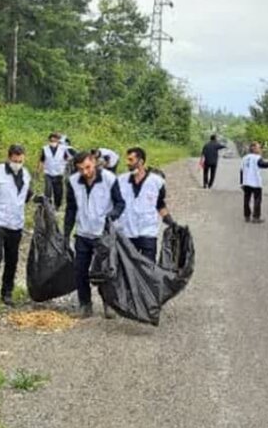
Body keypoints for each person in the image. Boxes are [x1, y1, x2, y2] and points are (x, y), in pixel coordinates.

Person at [64, 150, 125, 318]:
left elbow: (120, 203)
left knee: (106, 271)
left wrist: (111, 217)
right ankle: (85, 304)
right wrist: (66, 233)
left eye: (88, 167)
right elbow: (70, 209)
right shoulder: (73, 182)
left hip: (102, 234)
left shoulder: (109, 178)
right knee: (80, 270)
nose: (85, 172)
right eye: (81, 169)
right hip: (83, 233)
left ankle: (109, 304)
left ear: (93, 162)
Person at [0, 144, 33, 309]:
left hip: (15, 223)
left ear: (24, 158)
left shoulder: (26, 174)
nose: (17, 162)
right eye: (14, 160)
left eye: (20, 160)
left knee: (12, 259)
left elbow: (26, 194)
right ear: (9, 157)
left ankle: (7, 292)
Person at [117, 147, 171, 261]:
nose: (127, 163)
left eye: (131, 160)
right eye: (127, 160)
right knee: (128, 269)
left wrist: (169, 220)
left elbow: (160, 203)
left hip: (148, 232)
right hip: (127, 231)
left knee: (148, 269)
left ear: (141, 161)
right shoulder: (121, 181)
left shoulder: (156, 182)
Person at [239, 142, 268, 223]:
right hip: (255, 182)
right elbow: (264, 165)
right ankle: (256, 217)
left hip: (246, 182)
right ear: (254, 149)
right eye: (258, 147)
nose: (260, 149)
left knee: (246, 199)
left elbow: (241, 171)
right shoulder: (257, 158)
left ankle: (247, 216)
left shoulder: (244, 158)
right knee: (257, 200)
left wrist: (241, 183)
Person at [38, 132, 73, 209]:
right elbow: (42, 160)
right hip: (48, 172)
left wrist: (69, 163)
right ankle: (48, 206)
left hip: (58, 173)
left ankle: (57, 205)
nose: (52, 143)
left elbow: (68, 158)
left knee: (58, 191)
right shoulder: (45, 149)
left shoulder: (63, 149)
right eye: (51, 141)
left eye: (54, 141)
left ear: (58, 141)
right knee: (48, 190)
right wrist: (39, 170)